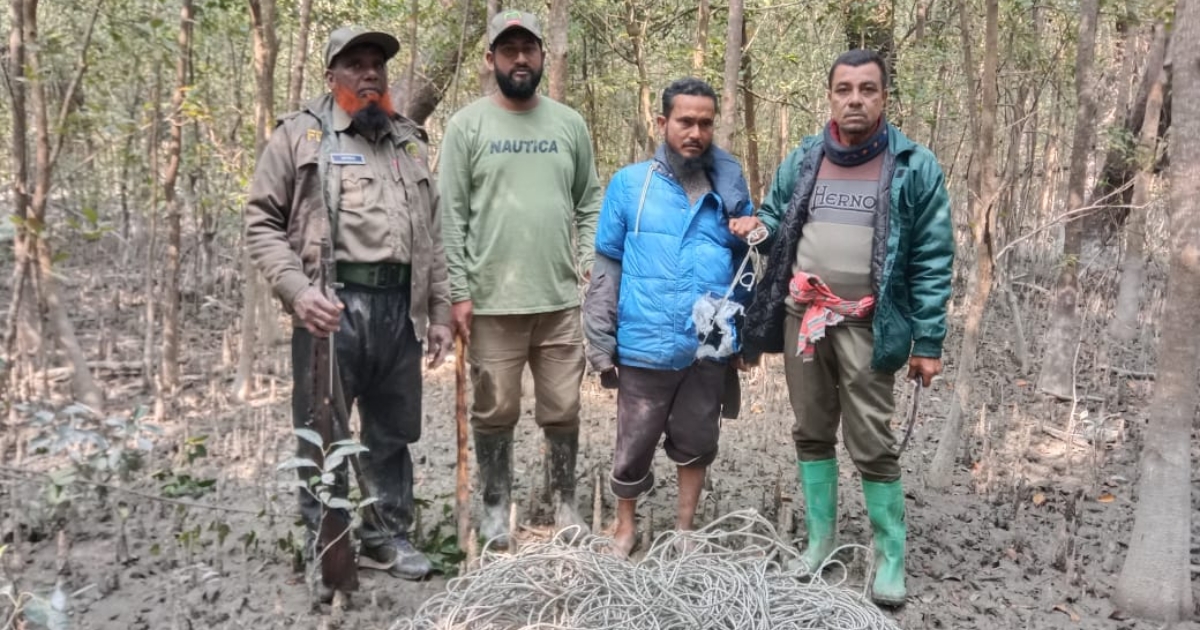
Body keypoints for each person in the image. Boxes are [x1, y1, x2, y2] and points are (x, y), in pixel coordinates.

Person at [741, 49, 954, 606]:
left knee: (871, 441)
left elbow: (932, 258)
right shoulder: (806, 157)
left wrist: (927, 342)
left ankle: (890, 557)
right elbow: (776, 211)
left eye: (866, 89)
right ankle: (820, 543)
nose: (854, 99)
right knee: (811, 430)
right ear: (830, 95)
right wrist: (757, 228)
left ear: (884, 97)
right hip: (801, 319)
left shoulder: (912, 164)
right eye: (843, 89)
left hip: (867, 324)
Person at [246, 26, 453, 583]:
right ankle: (327, 541)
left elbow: (431, 236)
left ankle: (386, 535)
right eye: (356, 64)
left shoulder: (409, 140)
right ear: (331, 75)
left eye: (377, 65)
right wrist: (296, 290)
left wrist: (437, 313)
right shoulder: (299, 137)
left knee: (392, 432)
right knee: (323, 429)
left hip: (399, 310)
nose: (369, 74)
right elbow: (261, 221)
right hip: (331, 309)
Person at [439, 9, 602, 547]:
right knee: (496, 409)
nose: (519, 59)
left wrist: (585, 257)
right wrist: (458, 292)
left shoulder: (568, 123)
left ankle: (565, 502)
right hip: (490, 303)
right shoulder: (467, 126)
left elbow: (587, 199)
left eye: (528, 49)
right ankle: (493, 506)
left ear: (541, 55)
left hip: (557, 300)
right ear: (491, 60)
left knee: (563, 407)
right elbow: (452, 216)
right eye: (508, 50)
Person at [584, 78, 756, 558]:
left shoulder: (730, 191)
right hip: (645, 339)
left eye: (705, 122)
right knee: (633, 442)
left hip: (707, 345)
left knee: (698, 437)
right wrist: (599, 339)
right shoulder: (630, 186)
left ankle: (684, 530)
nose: (695, 132)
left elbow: (746, 269)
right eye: (685, 121)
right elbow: (607, 266)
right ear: (662, 123)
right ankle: (624, 527)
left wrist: (744, 341)